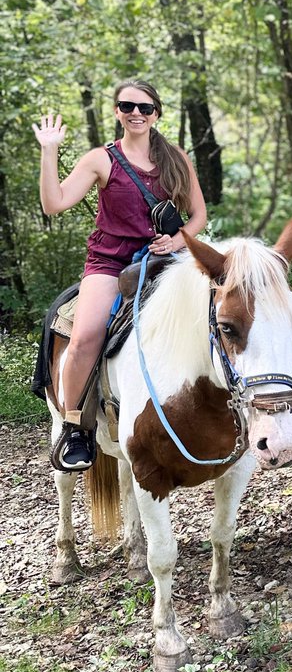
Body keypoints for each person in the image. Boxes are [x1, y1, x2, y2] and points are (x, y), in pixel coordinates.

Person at [33, 79, 207, 471]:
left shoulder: (176, 157)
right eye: (128, 106)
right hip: (110, 262)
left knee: (218, 310)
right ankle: (75, 428)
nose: (136, 114)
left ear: (156, 113)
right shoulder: (101, 159)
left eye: (145, 108)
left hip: (166, 258)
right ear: (117, 112)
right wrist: (49, 151)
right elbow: (53, 203)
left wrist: (178, 241)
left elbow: (198, 215)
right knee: (84, 338)